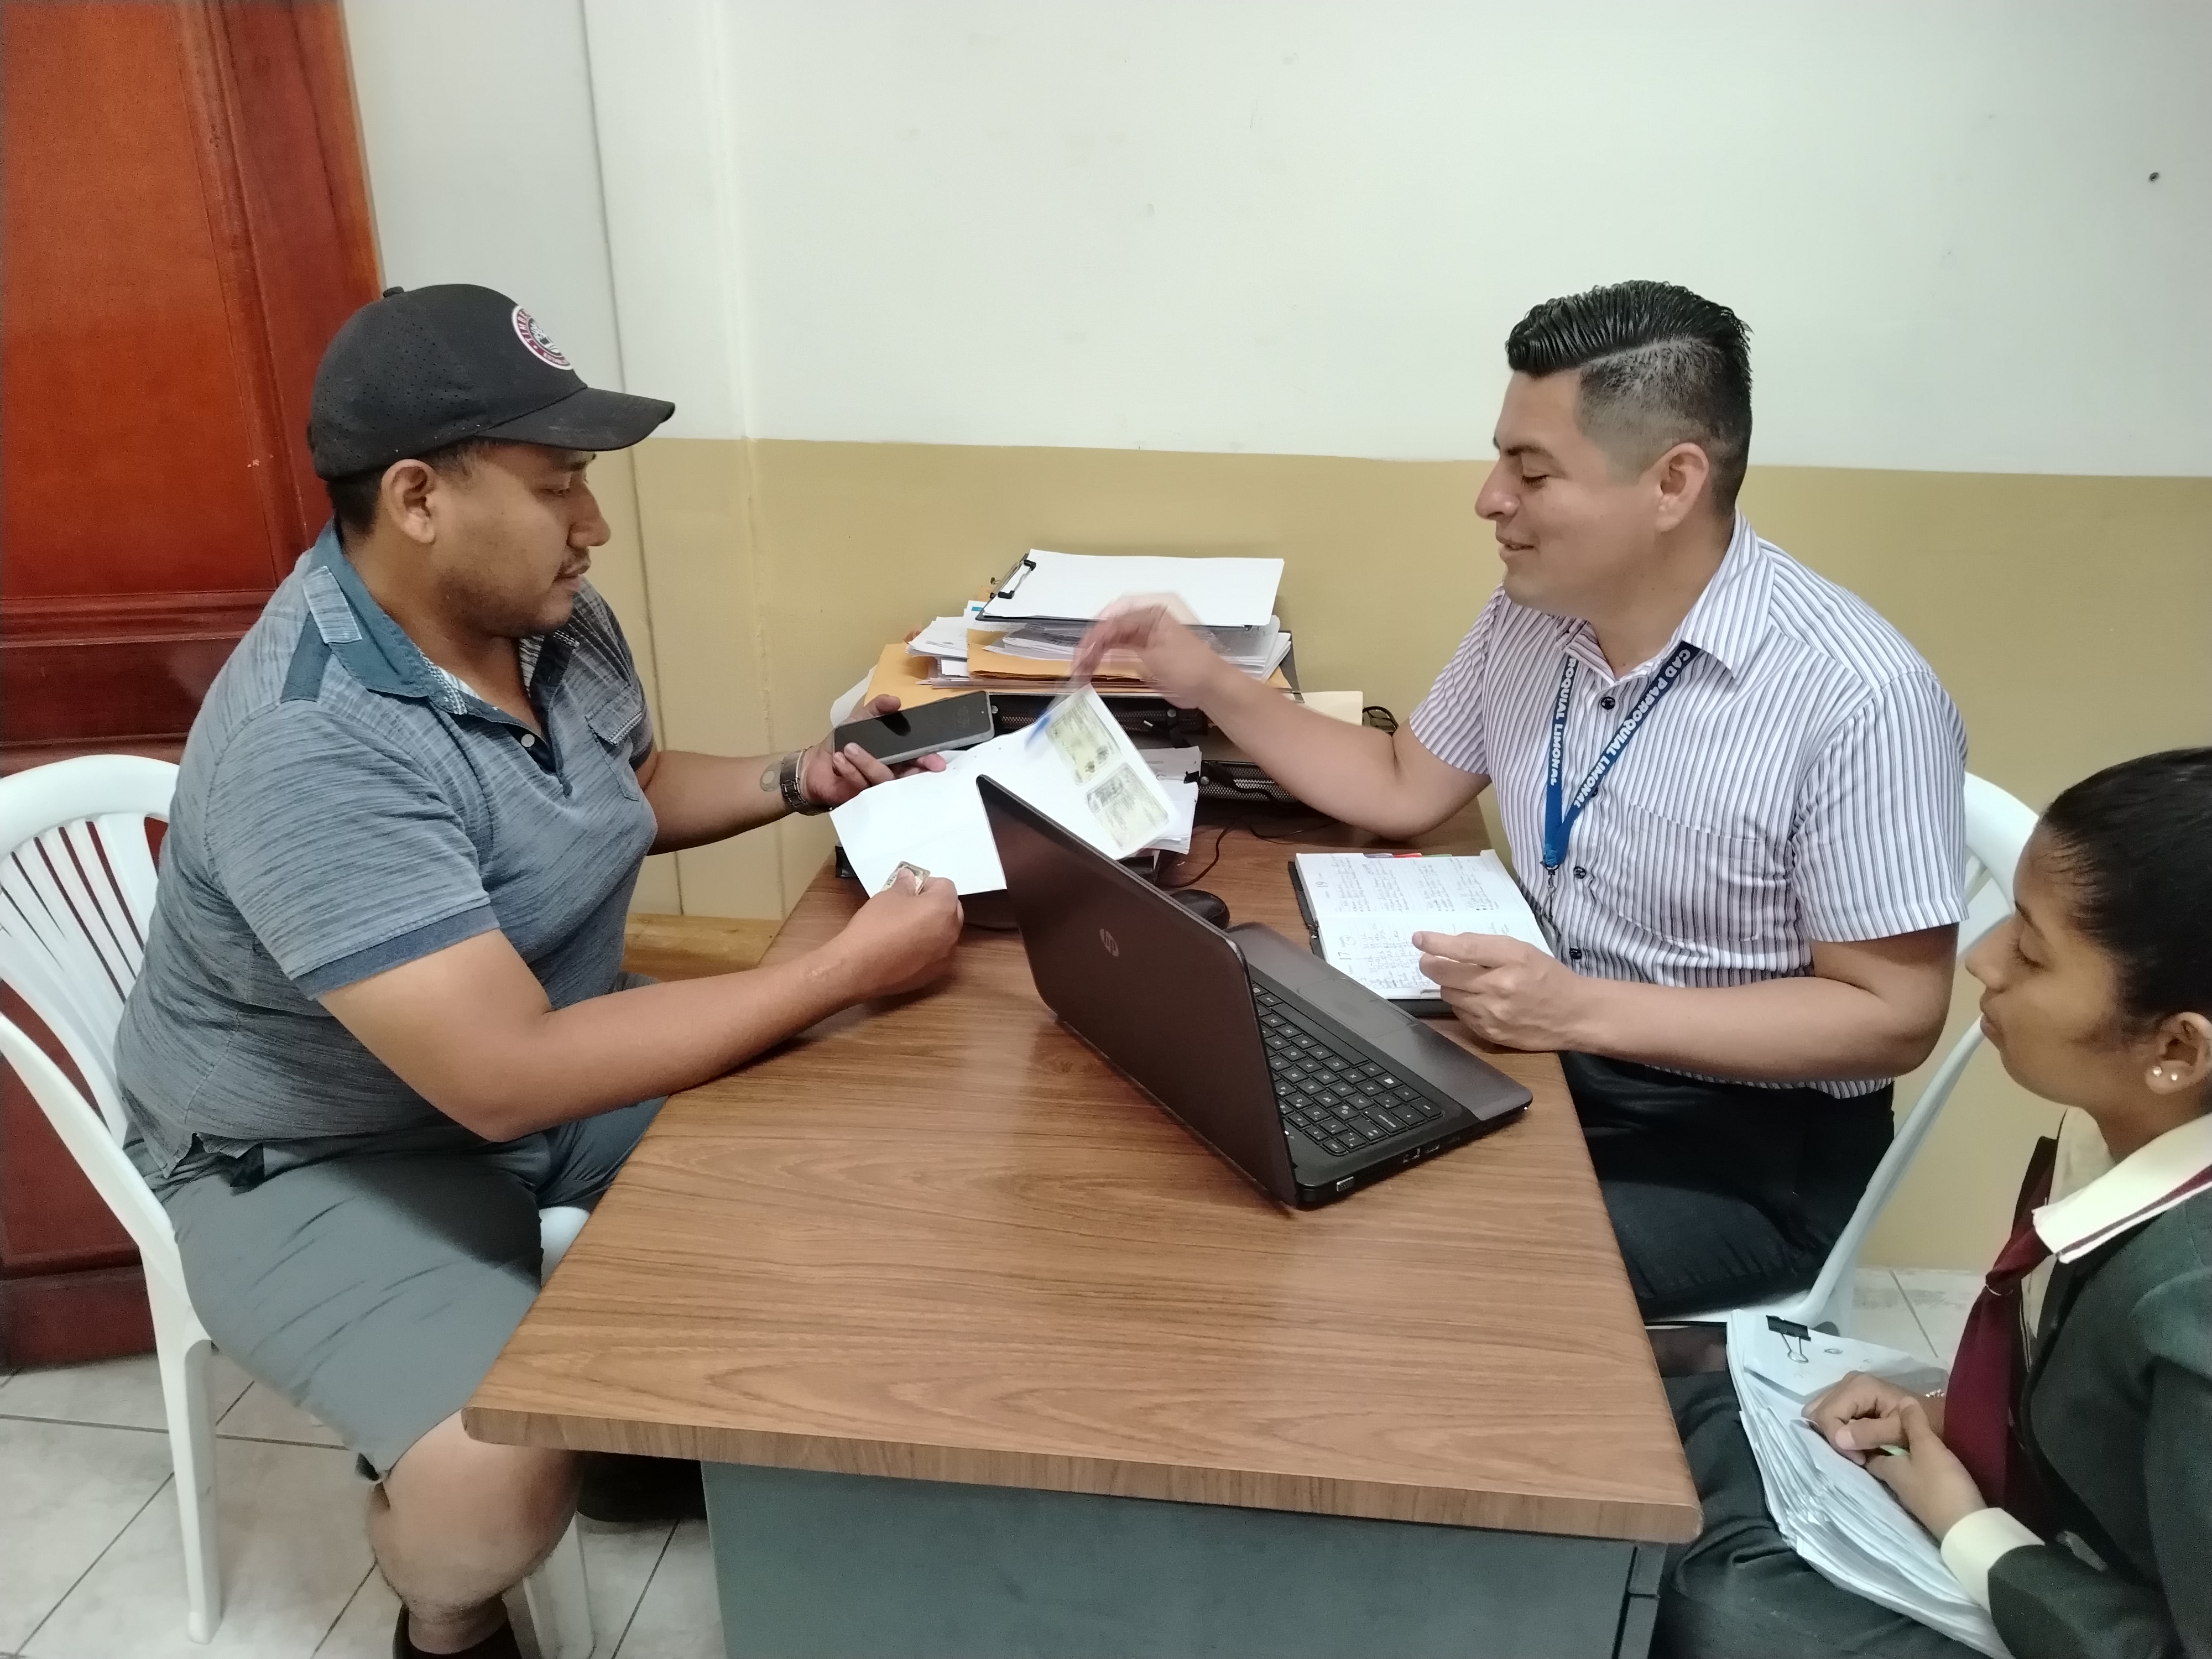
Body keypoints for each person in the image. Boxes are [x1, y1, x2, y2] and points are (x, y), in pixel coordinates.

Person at [114, 285, 965, 1659]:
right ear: (417, 497)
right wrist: (835, 967)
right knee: (491, 1483)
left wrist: (798, 778)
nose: (593, 524)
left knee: (861, 1140)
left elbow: (620, 788)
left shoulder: (541, 618)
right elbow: (501, 1080)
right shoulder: (313, 739)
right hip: (321, 1150)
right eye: (558, 483)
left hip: (543, 1043)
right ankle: (445, 1621)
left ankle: (636, 1436)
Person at [1073, 280, 1966, 1320]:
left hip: (1742, 1149)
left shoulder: (1860, 696)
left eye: (1532, 472)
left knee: (1372, 1268)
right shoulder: (1538, 616)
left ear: (1674, 482)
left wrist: (1576, 1009)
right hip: (1555, 1058)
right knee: (1238, 1141)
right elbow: (1403, 784)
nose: (1491, 499)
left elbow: (1893, 1016)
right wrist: (1213, 683)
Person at [1658, 748, 2212, 1657]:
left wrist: (1970, 1531)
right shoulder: (2122, 1142)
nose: (1984, 961)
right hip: (2056, 1528)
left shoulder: (2193, 1299)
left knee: (1725, 1611)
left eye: (2029, 950)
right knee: (1700, 1407)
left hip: (2076, 1599)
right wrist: (1963, 1415)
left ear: (2178, 1050)